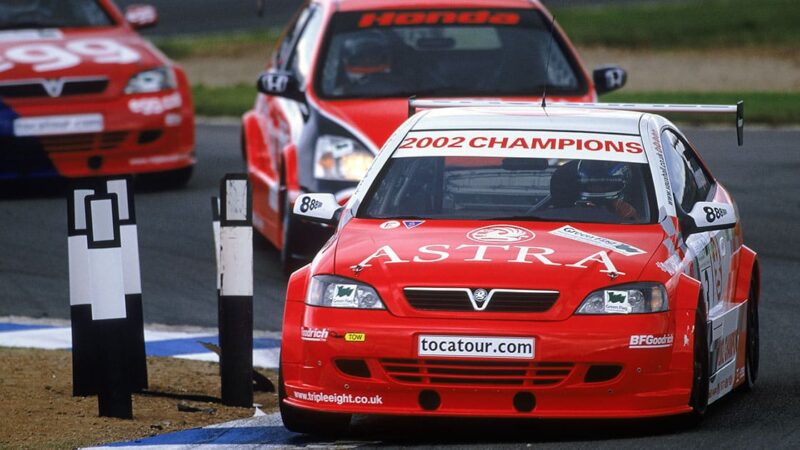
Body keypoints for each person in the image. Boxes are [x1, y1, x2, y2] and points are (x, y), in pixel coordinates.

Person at [574, 160, 639, 221]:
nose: (597, 188)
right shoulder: (573, 211)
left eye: (604, 184)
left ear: (619, 184)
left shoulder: (625, 210)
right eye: (591, 183)